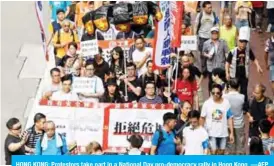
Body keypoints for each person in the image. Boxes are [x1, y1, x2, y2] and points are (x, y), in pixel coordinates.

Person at [226, 37, 263, 102]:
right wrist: (227, 73)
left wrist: (258, 66)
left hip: (244, 76)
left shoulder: (248, 51)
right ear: (237, 42)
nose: (242, 44)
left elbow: (254, 59)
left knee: (244, 92)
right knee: (233, 91)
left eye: (244, 42)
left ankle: (245, 107)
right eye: (241, 42)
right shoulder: (232, 52)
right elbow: (227, 63)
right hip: (234, 76)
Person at [200, 84, 234, 155]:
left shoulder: (226, 103)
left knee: (221, 152)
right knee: (213, 152)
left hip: (223, 133)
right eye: (213, 93)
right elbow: (202, 118)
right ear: (210, 93)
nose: (215, 94)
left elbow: (230, 118)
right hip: (211, 133)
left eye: (218, 93)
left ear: (221, 93)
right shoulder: (207, 103)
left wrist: (232, 133)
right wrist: (201, 132)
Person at [223, 79, 246, 154]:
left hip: (227, 124)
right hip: (239, 124)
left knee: (229, 146)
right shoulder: (242, 97)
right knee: (240, 146)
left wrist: (225, 90)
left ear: (229, 86)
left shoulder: (225, 97)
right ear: (238, 87)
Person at [195, 1, 218, 76]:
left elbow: (217, 24)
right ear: (204, 8)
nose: (210, 9)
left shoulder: (214, 14)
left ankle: (210, 69)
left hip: (211, 38)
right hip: (202, 38)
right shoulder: (200, 15)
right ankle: (204, 70)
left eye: (211, 7)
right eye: (208, 8)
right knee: (203, 55)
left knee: (212, 54)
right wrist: (194, 36)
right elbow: (196, 26)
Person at [203, 27, 229, 92]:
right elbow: (203, 52)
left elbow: (226, 53)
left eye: (216, 33)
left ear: (218, 34)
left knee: (222, 81)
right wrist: (207, 55)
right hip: (211, 66)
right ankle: (211, 96)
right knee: (212, 82)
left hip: (221, 66)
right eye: (213, 33)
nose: (214, 34)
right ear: (211, 34)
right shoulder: (206, 43)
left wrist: (228, 63)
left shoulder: (223, 42)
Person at [264, 29, 274, 97]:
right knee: (272, 81)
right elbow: (265, 53)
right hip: (272, 64)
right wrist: (266, 64)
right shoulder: (268, 41)